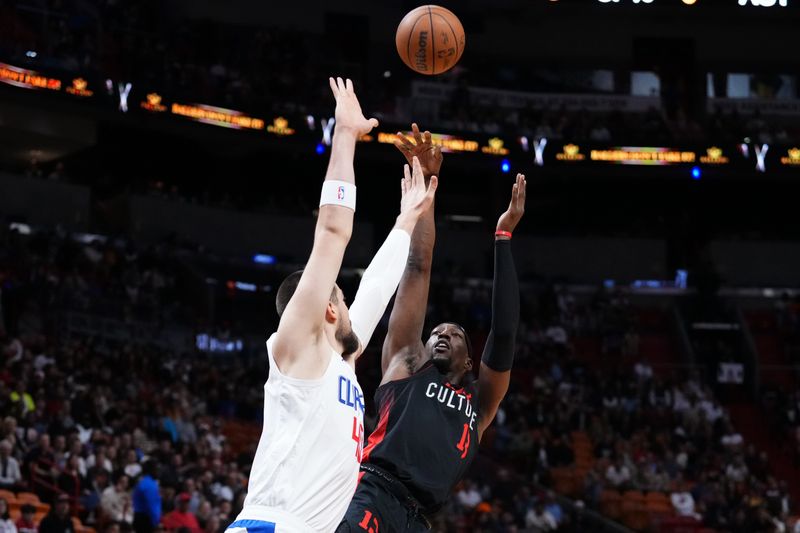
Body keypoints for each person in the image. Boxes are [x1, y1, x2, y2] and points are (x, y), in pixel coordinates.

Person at [224, 79, 437, 533]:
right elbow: (332, 233)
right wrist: (344, 136)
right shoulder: (296, 344)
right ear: (326, 310)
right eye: (340, 295)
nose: (348, 301)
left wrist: (406, 220)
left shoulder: (338, 360)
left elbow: (377, 291)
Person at [337, 124, 526, 531]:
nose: (440, 334)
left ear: (469, 358)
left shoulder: (480, 404)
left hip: (419, 520)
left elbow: (505, 333)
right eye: (435, 331)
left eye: (454, 333)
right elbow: (418, 266)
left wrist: (503, 236)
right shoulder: (407, 362)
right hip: (372, 491)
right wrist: (426, 194)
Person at [132, 462, 161, 533]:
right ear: (152, 470)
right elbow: (151, 506)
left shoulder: (142, 482)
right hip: (146, 520)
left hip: (139, 517)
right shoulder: (149, 484)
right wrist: (156, 521)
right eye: (157, 469)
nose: (159, 472)